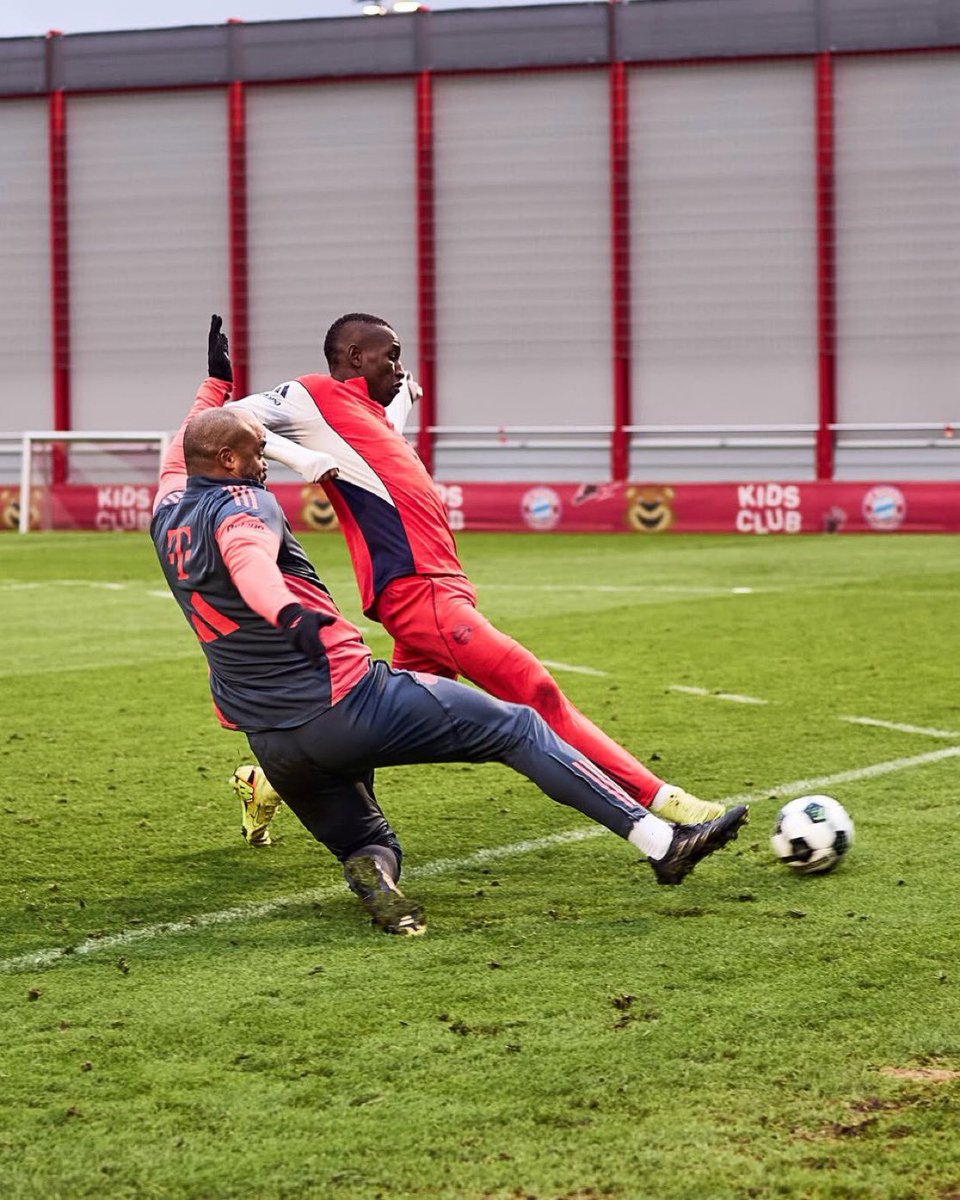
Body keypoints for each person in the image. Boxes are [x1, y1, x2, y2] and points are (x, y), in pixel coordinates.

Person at [150, 364, 748, 935]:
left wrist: (214, 387)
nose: (263, 466)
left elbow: (183, 445)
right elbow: (248, 560)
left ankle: (375, 880)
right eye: (255, 456)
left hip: (272, 740)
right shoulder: (243, 505)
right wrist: (281, 609)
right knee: (519, 727)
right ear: (227, 461)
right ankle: (663, 844)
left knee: (370, 842)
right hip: (347, 701)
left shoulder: (167, 509)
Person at [214, 315, 727, 843]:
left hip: (439, 588)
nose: (398, 364)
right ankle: (665, 803)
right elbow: (221, 420)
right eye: (389, 354)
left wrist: (404, 401)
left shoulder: (370, 419)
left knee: (377, 730)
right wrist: (299, 458)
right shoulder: (311, 395)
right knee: (533, 689)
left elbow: (385, 432)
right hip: (418, 593)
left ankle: (267, 782)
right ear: (353, 356)